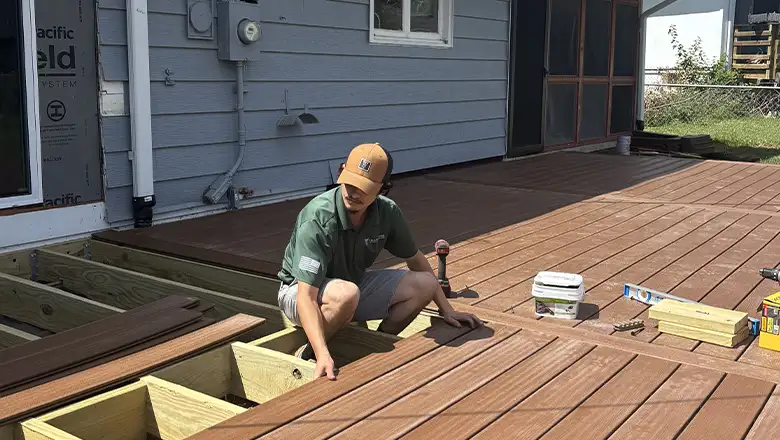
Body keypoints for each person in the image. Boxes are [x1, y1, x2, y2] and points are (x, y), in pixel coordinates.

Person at [277, 143, 483, 380]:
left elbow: (416, 260)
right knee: (346, 294)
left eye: (363, 187)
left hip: (349, 287)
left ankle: (374, 343)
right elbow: (306, 297)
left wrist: (447, 309)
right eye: (349, 182)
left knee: (425, 283)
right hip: (298, 292)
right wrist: (322, 353)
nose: (353, 192)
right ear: (340, 173)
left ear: (382, 190)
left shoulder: (387, 213)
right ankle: (309, 354)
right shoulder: (318, 218)